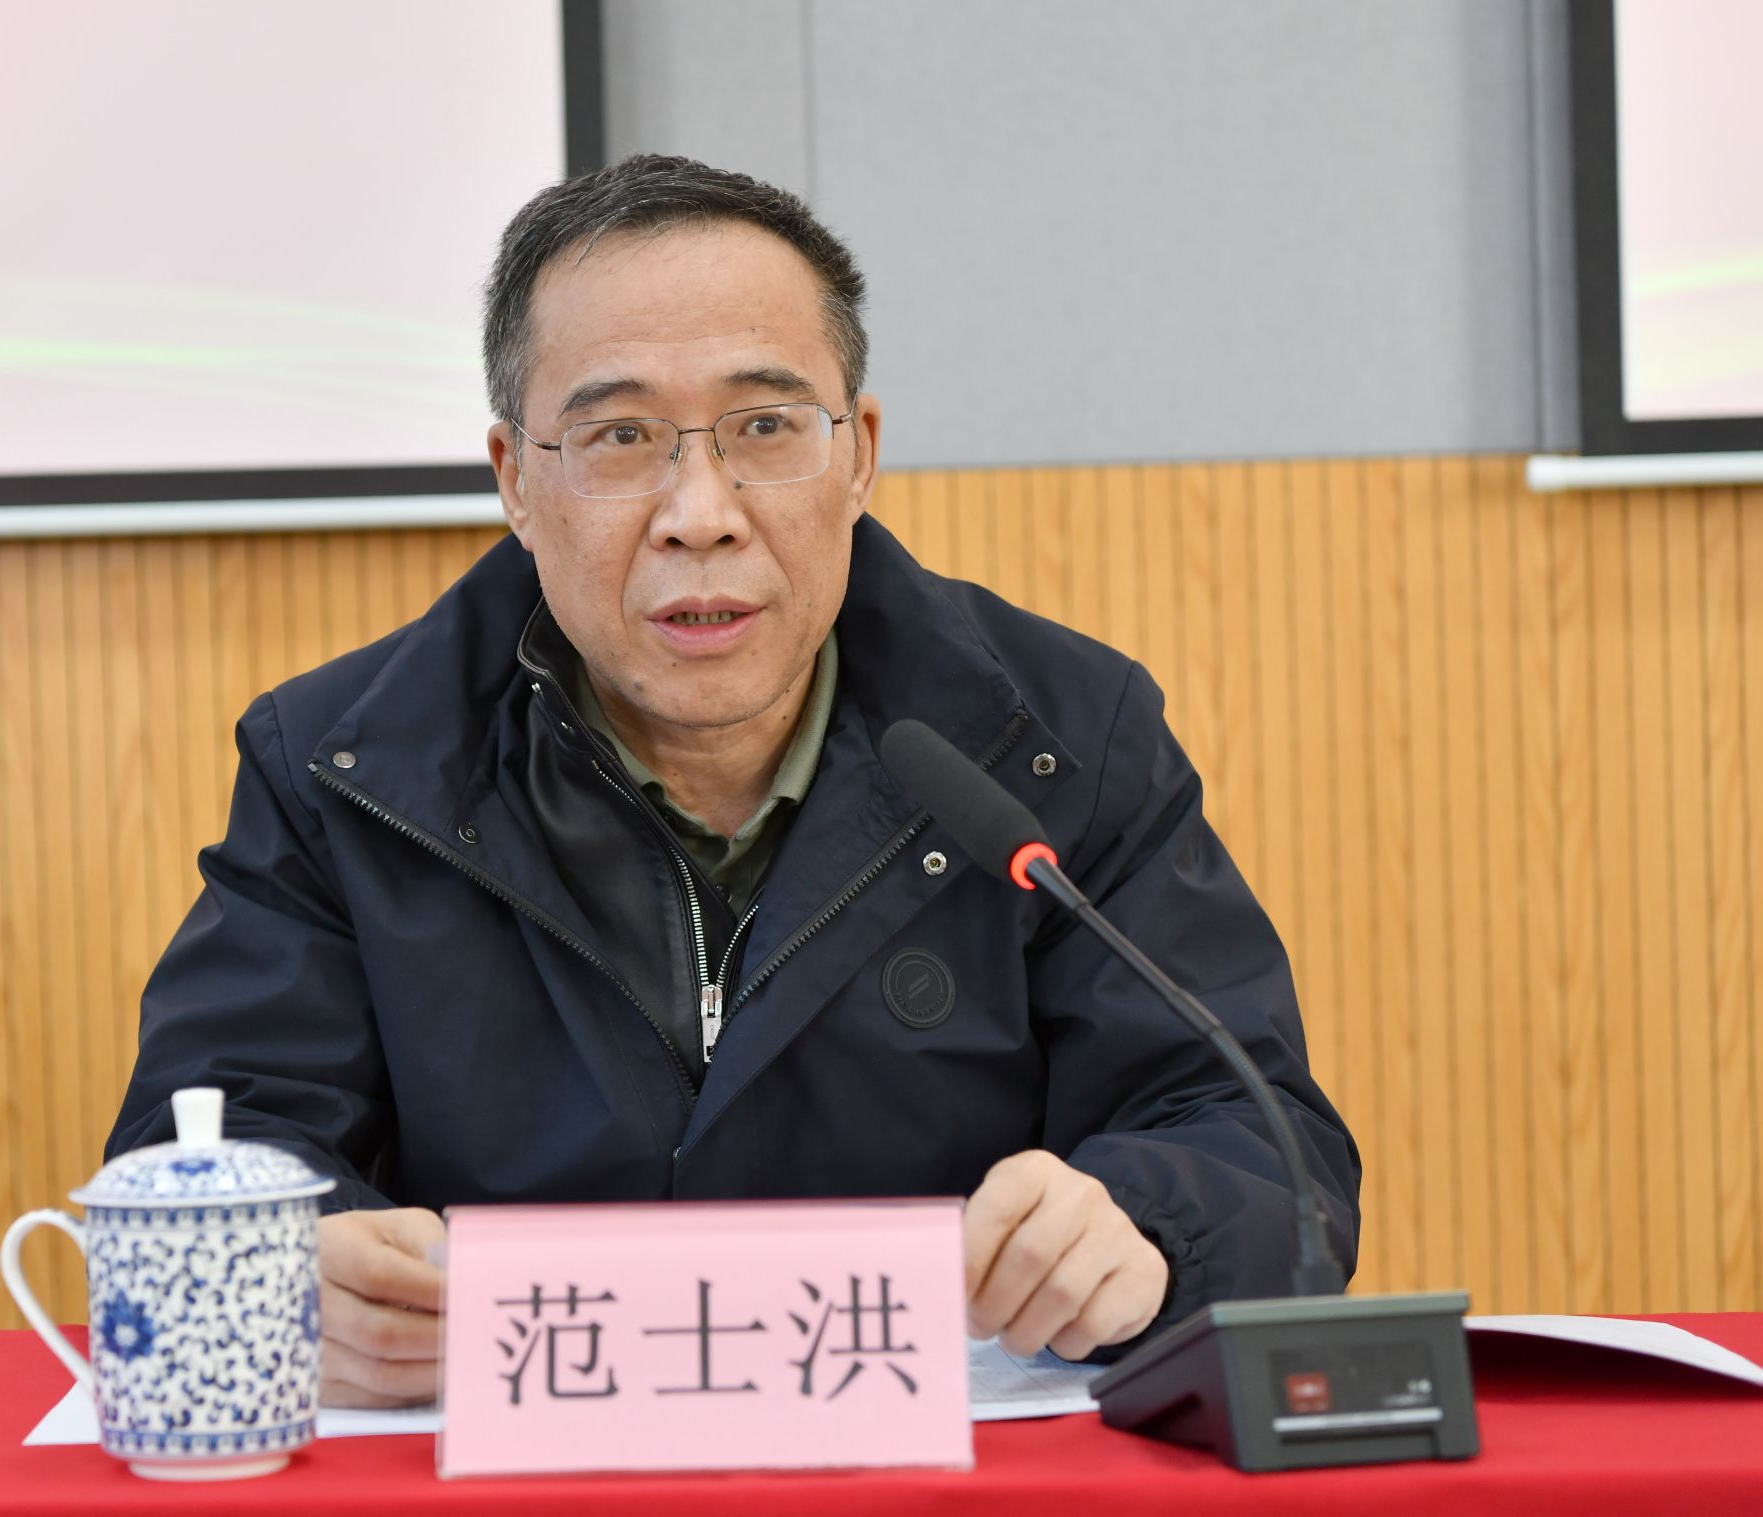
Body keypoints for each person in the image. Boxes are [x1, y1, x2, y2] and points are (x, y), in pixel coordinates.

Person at [106, 154, 1361, 1408]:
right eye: (618, 437)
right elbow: (198, 1144)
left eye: (764, 427)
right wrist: (284, 1269)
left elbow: (1255, 1137)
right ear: (514, 479)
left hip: (934, 1474)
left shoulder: (1060, 740)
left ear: (858, 455)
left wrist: (1144, 1226)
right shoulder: (348, 766)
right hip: (514, 1472)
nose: (698, 513)